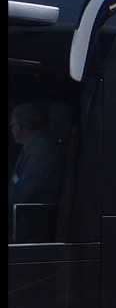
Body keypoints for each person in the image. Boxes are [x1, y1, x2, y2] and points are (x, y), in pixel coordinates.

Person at [9, 103, 65, 242]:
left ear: (22, 125)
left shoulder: (41, 150)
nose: (11, 130)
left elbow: (24, 191)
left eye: (12, 125)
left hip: (32, 224)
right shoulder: (31, 148)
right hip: (24, 219)